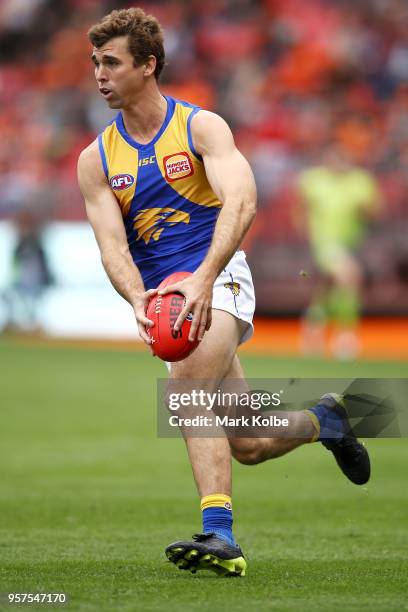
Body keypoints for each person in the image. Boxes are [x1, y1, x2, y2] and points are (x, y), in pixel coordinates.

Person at [78, 8, 370, 577]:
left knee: (187, 396)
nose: (99, 74)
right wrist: (137, 298)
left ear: (147, 65)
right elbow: (112, 245)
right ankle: (325, 420)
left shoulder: (200, 128)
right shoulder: (96, 159)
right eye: (95, 63)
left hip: (221, 279)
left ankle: (221, 537)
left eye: (111, 62)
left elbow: (242, 202)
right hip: (166, 300)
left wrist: (203, 278)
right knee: (249, 444)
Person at [296, 144, 382, 359]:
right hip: (323, 242)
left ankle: (313, 326)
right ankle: (346, 334)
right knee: (349, 275)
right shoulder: (313, 180)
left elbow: (375, 212)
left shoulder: (360, 181)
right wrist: (304, 233)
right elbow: (300, 208)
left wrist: (366, 209)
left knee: (328, 286)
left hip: (351, 244)